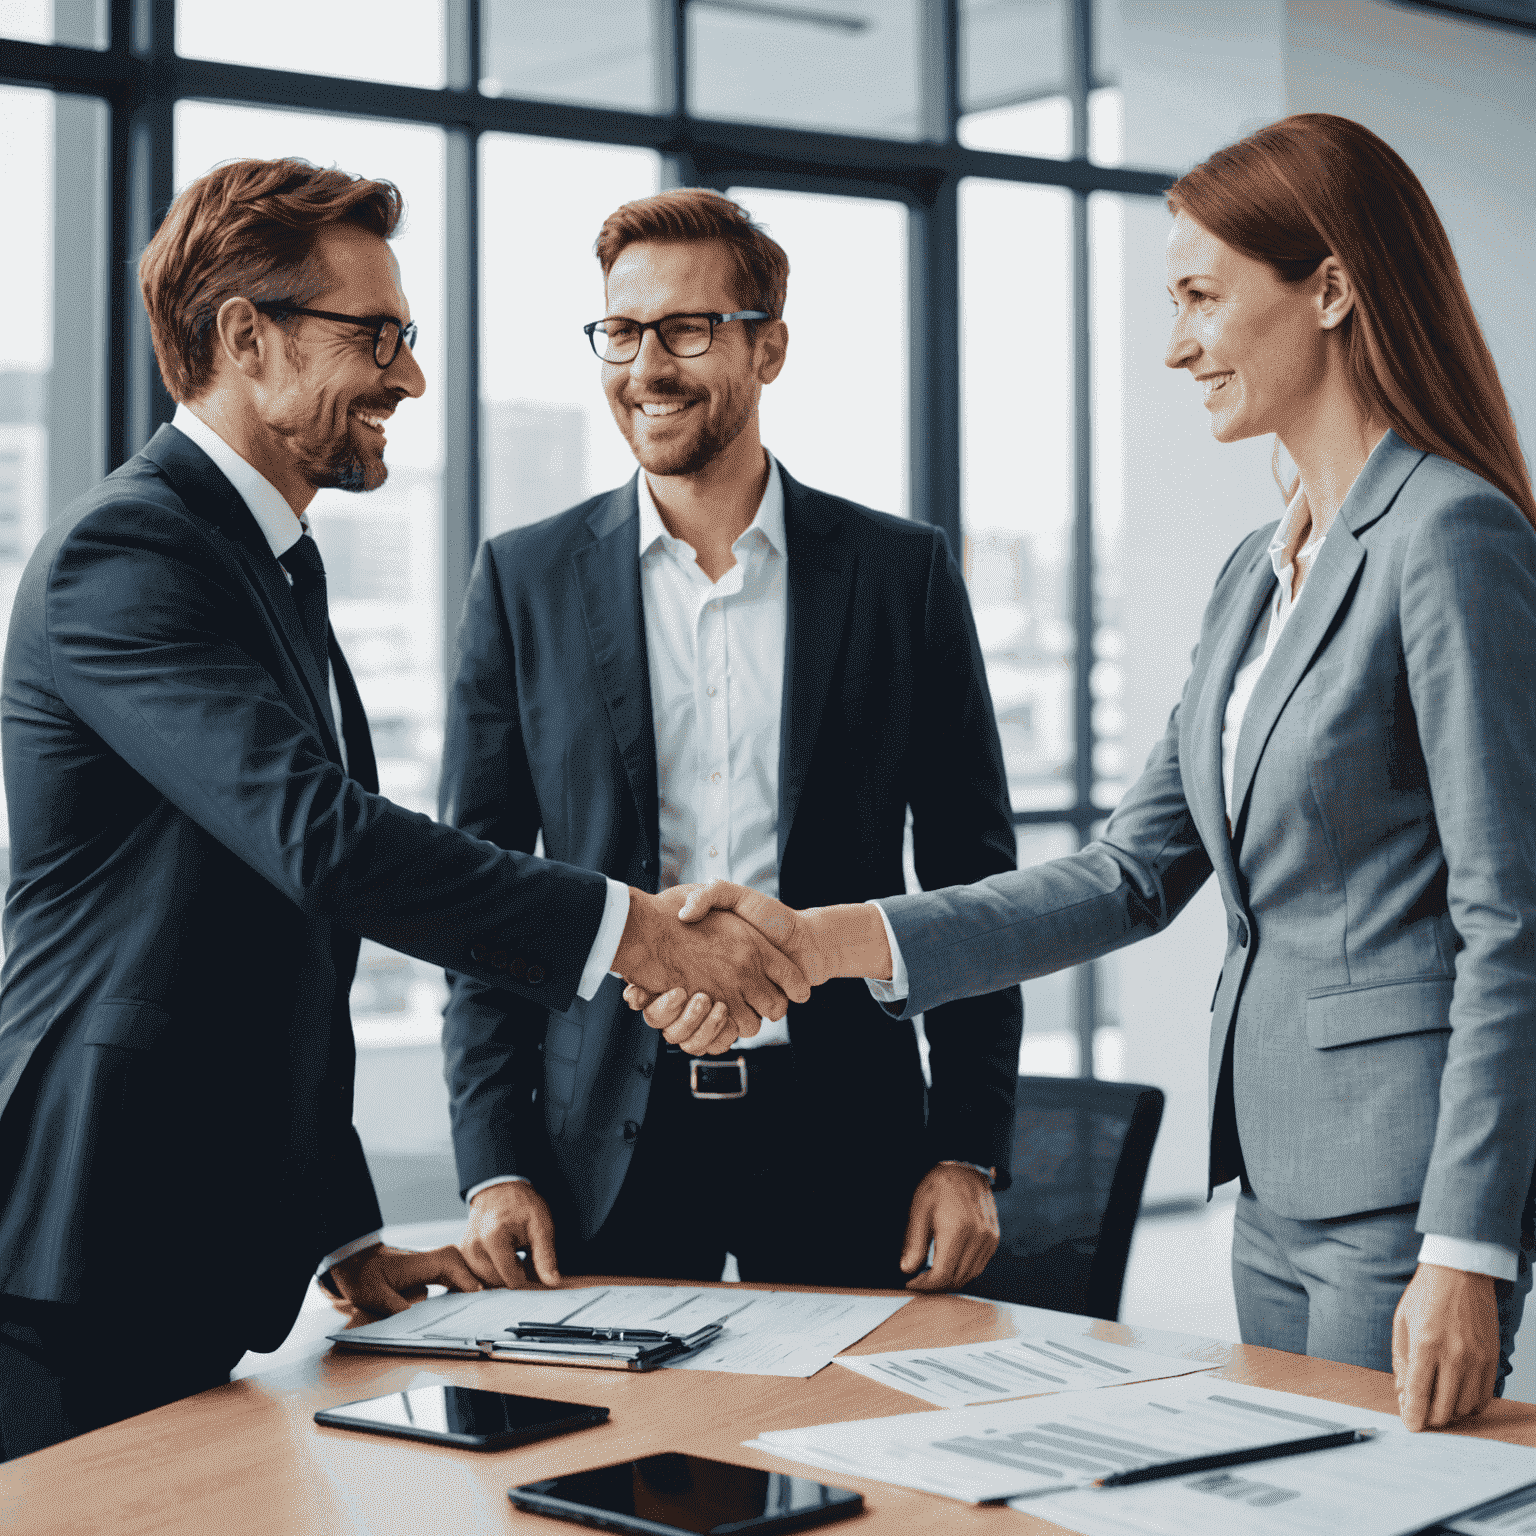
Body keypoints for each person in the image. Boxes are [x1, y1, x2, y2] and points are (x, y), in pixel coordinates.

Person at [632, 116, 1536, 1432]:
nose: (1175, 345)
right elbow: (1125, 875)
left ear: (1331, 290)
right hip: (1271, 1186)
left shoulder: (1451, 535)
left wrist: (1469, 1244)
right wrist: (822, 941)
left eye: (1200, 298)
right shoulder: (1258, 572)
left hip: (1403, 1193)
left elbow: (1511, 920)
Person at [0, 159, 807, 1461]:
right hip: (87, 1232)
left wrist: (339, 1238)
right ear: (246, 338)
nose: (409, 378)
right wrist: (638, 934)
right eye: (375, 336)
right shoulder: (129, 554)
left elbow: (270, 943)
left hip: (177, 1233)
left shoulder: (267, 562)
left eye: (406, 338)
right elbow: (325, 847)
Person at [440, 189, 1022, 1295]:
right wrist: (493, 1165)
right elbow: (483, 893)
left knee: (853, 1457)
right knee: (607, 1466)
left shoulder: (900, 578)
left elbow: (972, 879)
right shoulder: (524, 581)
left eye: (689, 329)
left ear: (769, 349)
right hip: (598, 1147)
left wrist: (965, 1146)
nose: (647, 366)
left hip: (852, 1140)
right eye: (623, 331)